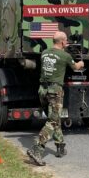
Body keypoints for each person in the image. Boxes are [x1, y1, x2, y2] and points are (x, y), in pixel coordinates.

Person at [27, 31, 84, 166]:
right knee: (52, 122)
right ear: (63, 42)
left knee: (54, 118)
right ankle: (37, 149)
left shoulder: (44, 53)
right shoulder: (65, 55)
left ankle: (60, 146)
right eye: (66, 41)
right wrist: (80, 62)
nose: (67, 43)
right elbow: (75, 67)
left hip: (43, 90)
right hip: (54, 91)